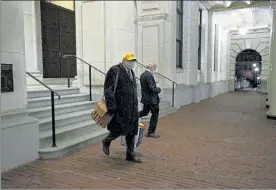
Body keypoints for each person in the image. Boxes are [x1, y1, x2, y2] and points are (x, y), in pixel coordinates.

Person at [102, 52, 141, 163]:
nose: (132, 63)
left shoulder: (131, 72)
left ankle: (130, 154)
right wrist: (111, 106)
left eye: (133, 61)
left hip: (132, 108)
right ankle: (106, 140)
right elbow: (108, 89)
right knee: (119, 129)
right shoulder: (115, 70)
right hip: (120, 107)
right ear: (124, 60)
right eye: (129, 61)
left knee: (132, 131)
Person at [138, 62, 161, 138]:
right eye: (154, 68)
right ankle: (151, 132)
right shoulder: (149, 75)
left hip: (146, 98)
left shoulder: (142, 75)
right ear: (151, 68)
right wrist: (159, 89)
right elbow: (152, 88)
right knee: (155, 114)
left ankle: (132, 117)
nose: (154, 70)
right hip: (152, 100)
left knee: (144, 112)